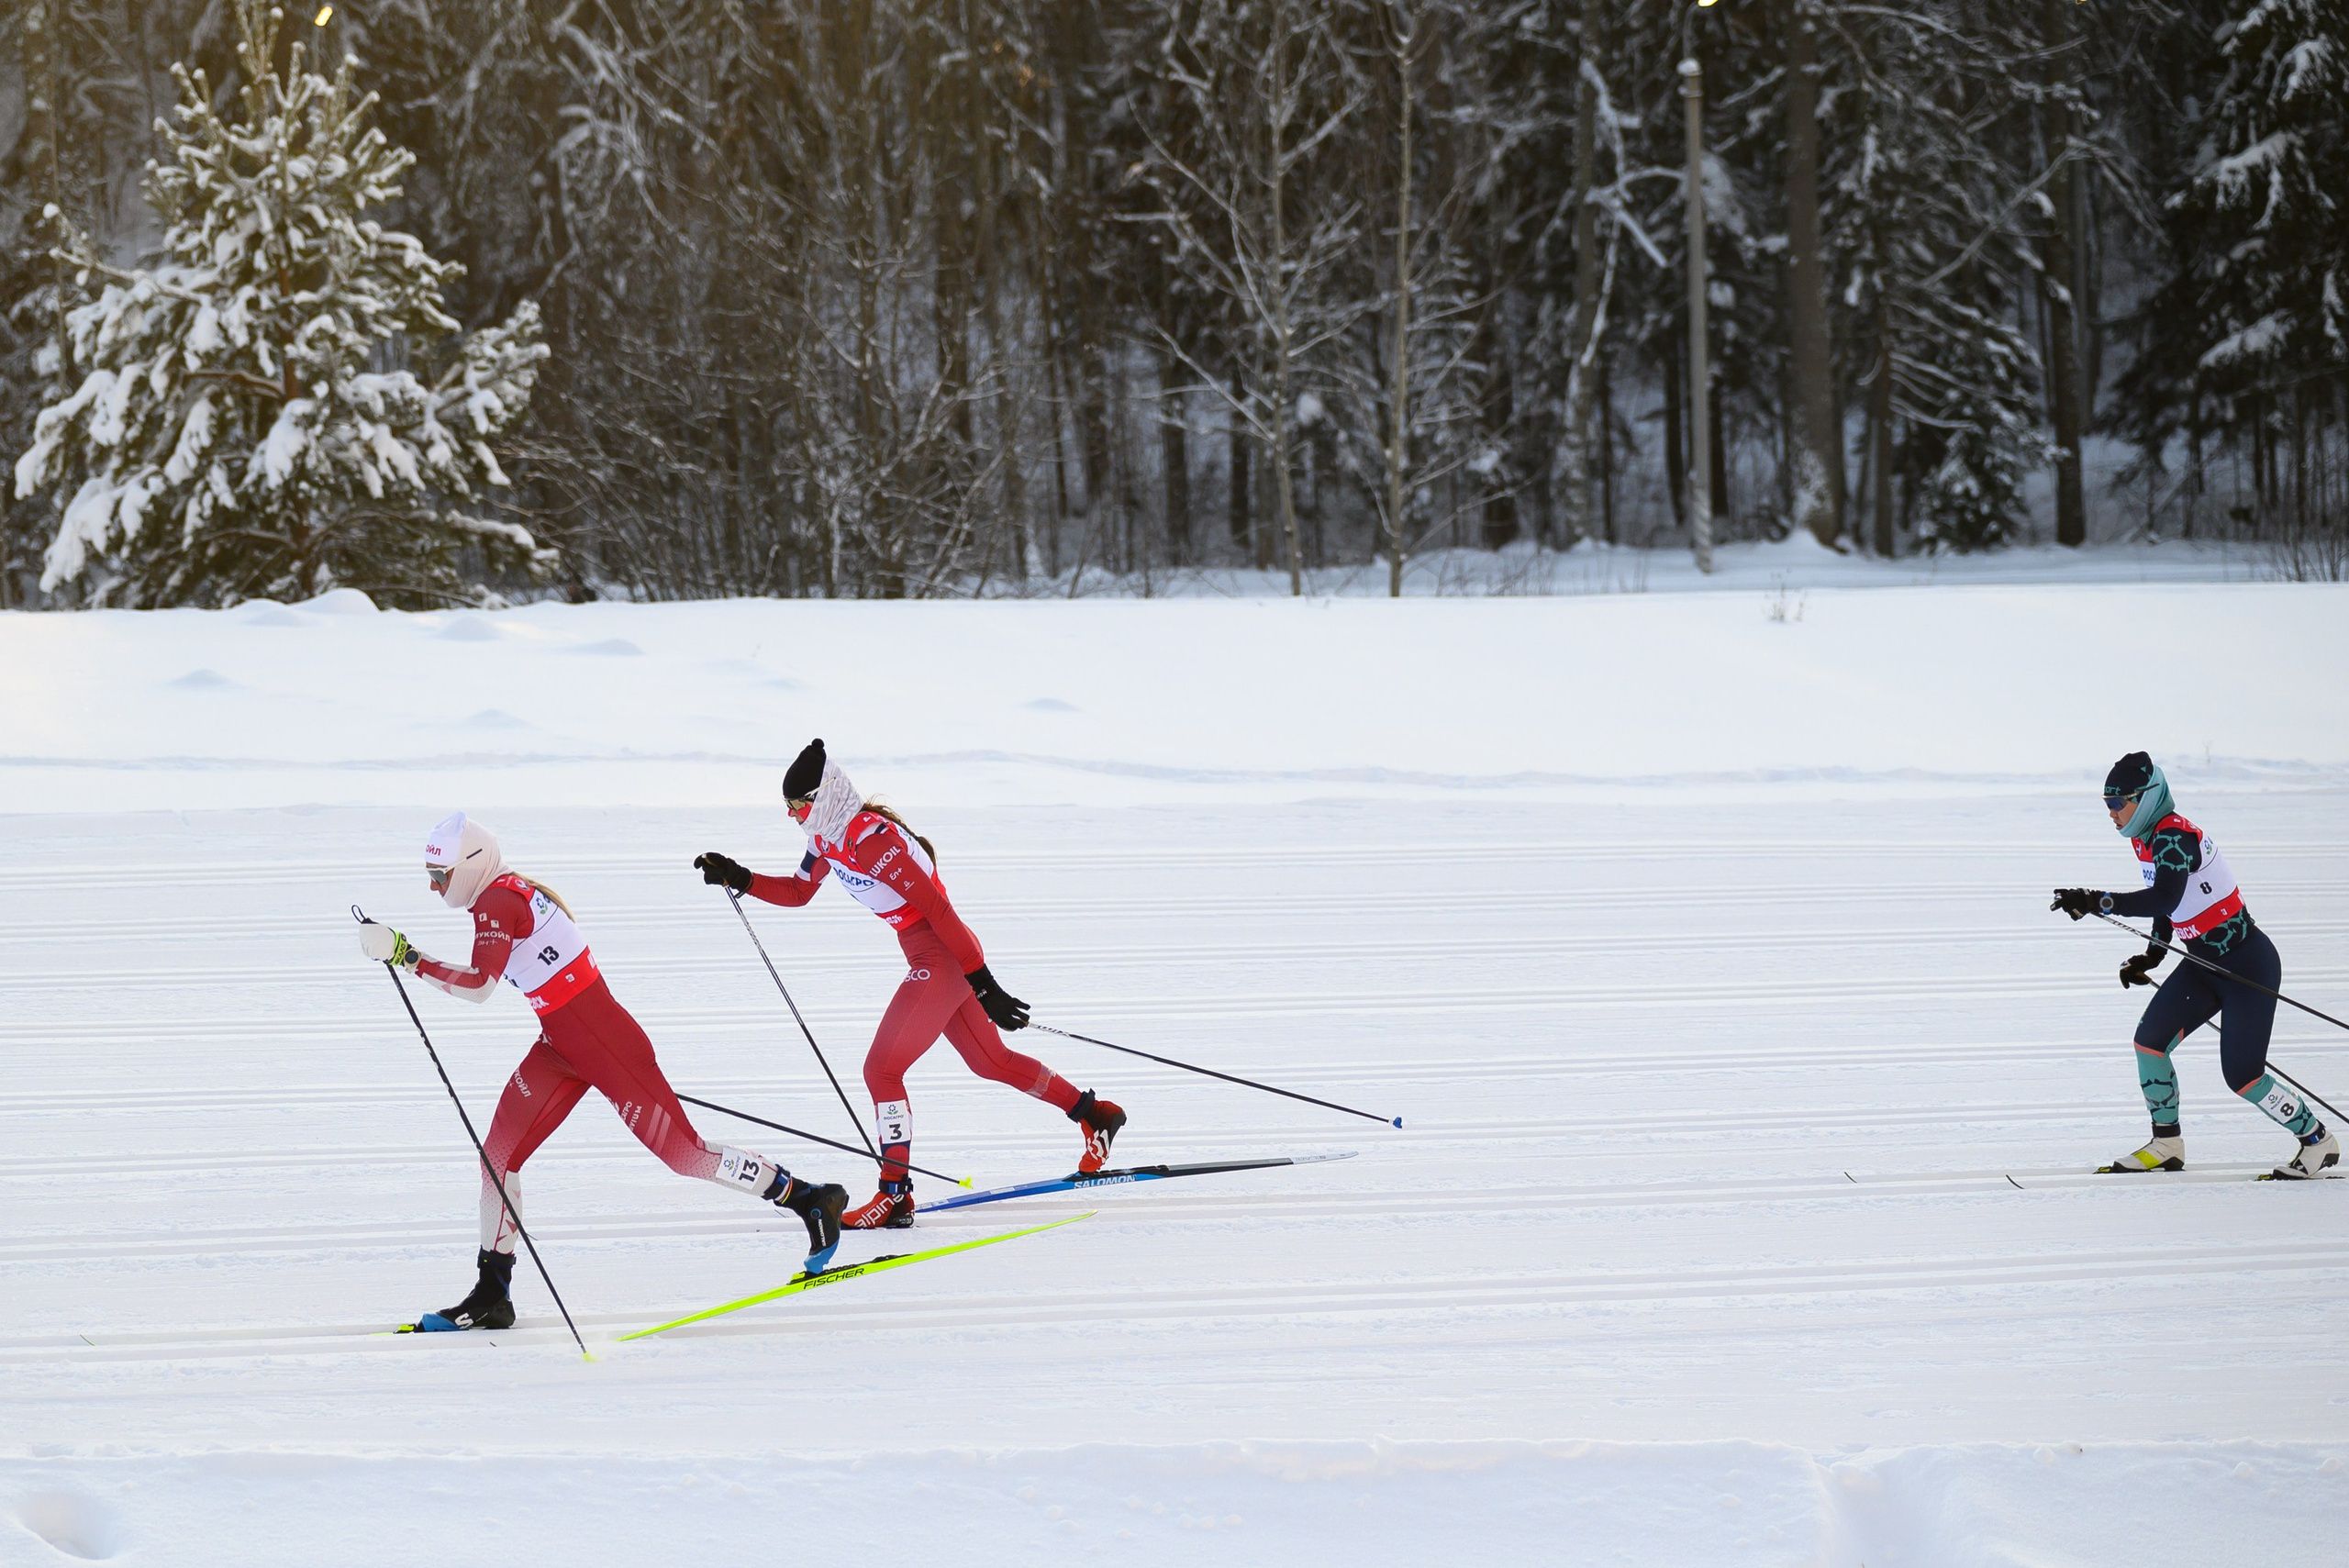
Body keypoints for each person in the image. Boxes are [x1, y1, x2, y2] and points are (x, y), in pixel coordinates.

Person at [360, 811, 848, 1330]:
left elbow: (480, 986)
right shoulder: (501, 892)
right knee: (496, 1160)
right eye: (430, 876)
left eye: (440, 875)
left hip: (608, 1048)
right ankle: (492, 1293)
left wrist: (406, 956)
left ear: (470, 865)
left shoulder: (499, 900)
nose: (434, 887)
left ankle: (809, 1199)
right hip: (561, 1048)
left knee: (686, 1156)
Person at [694, 739, 1125, 1229]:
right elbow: (798, 891)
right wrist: (739, 876)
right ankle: (1095, 1114)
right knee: (991, 1061)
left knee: (882, 1070)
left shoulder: (873, 840)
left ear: (825, 796)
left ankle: (894, 1195)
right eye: (788, 805)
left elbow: (939, 910)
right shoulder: (826, 837)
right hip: (932, 955)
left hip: (944, 954)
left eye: (798, 804)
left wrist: (984, 983)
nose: (792, 815)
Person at [2053, 752, 2337, 1180]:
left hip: (2247, 966)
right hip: (2203, 964)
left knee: (2243, 1076)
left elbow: (2164, 896)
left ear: (2145, 799)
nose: (2111, 813)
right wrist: (2152, 955)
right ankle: (2167, 1144)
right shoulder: (2146, 838)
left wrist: (2098, 900)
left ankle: (2317, 1140)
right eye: (2106, 804)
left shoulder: (2172, 837)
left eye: (2117, 803)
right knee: (2149, 1043)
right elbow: (2169, 904)